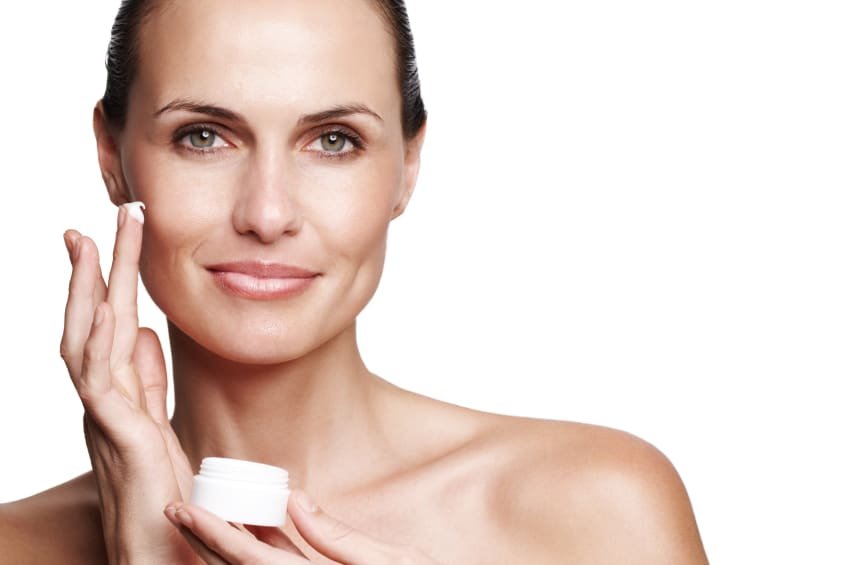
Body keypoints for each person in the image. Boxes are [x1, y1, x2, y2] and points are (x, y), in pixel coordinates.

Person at [0, 0, 708, 563]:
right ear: (112, 155)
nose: (267, 214)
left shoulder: (598, 511)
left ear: (407, 166)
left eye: (333, 140)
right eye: (204, 136)